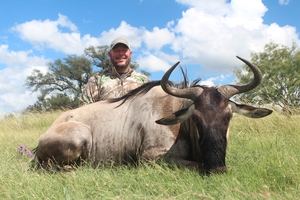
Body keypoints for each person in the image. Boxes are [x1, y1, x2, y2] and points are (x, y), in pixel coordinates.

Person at [80, 37, 150, 106]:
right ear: (109, 54)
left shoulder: (144, 81)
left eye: (124, 50)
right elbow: (84, 108)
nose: (120, 53)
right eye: (116, 50)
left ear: (130, 54)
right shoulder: (96, 80)